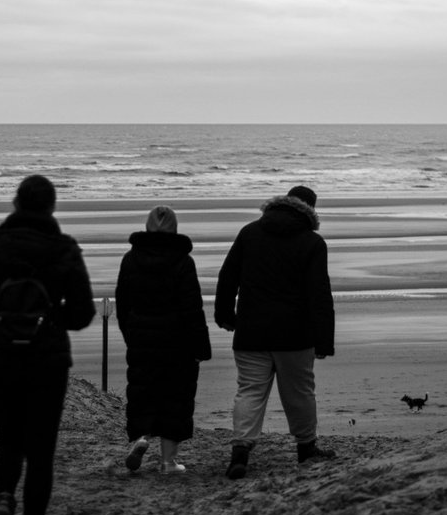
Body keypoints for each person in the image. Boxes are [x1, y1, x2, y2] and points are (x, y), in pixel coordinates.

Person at [0, 174, 95, 515]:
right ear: (52, 207)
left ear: (16, 203)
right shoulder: (64, 249)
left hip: (0, 354)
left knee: (8, 442)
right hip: (47, 358)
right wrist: (48, 318)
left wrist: (5, 315)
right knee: (41, 451)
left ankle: (3, 498)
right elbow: (82, 313)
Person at [213, 184, 335, 478]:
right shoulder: (312, 243)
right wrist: (323, 340)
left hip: (251, 330)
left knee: (250, 392)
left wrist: (225, 315)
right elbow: (319, 294)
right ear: (311, 210)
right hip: (295, 335)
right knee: (300, 393)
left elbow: (228, 276)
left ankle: (240, 451)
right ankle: (306, 448)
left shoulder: (250, 232)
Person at [115, 205, 211, 474]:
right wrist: (201, 346)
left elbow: (123, 302)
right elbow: (192, 307)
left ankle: (142, 438)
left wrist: (130, 334)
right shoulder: (183, 261)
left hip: (141, 338)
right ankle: (168, 462)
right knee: (175, 400)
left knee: (143, 393)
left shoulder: (131, 259)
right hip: (178, 342)